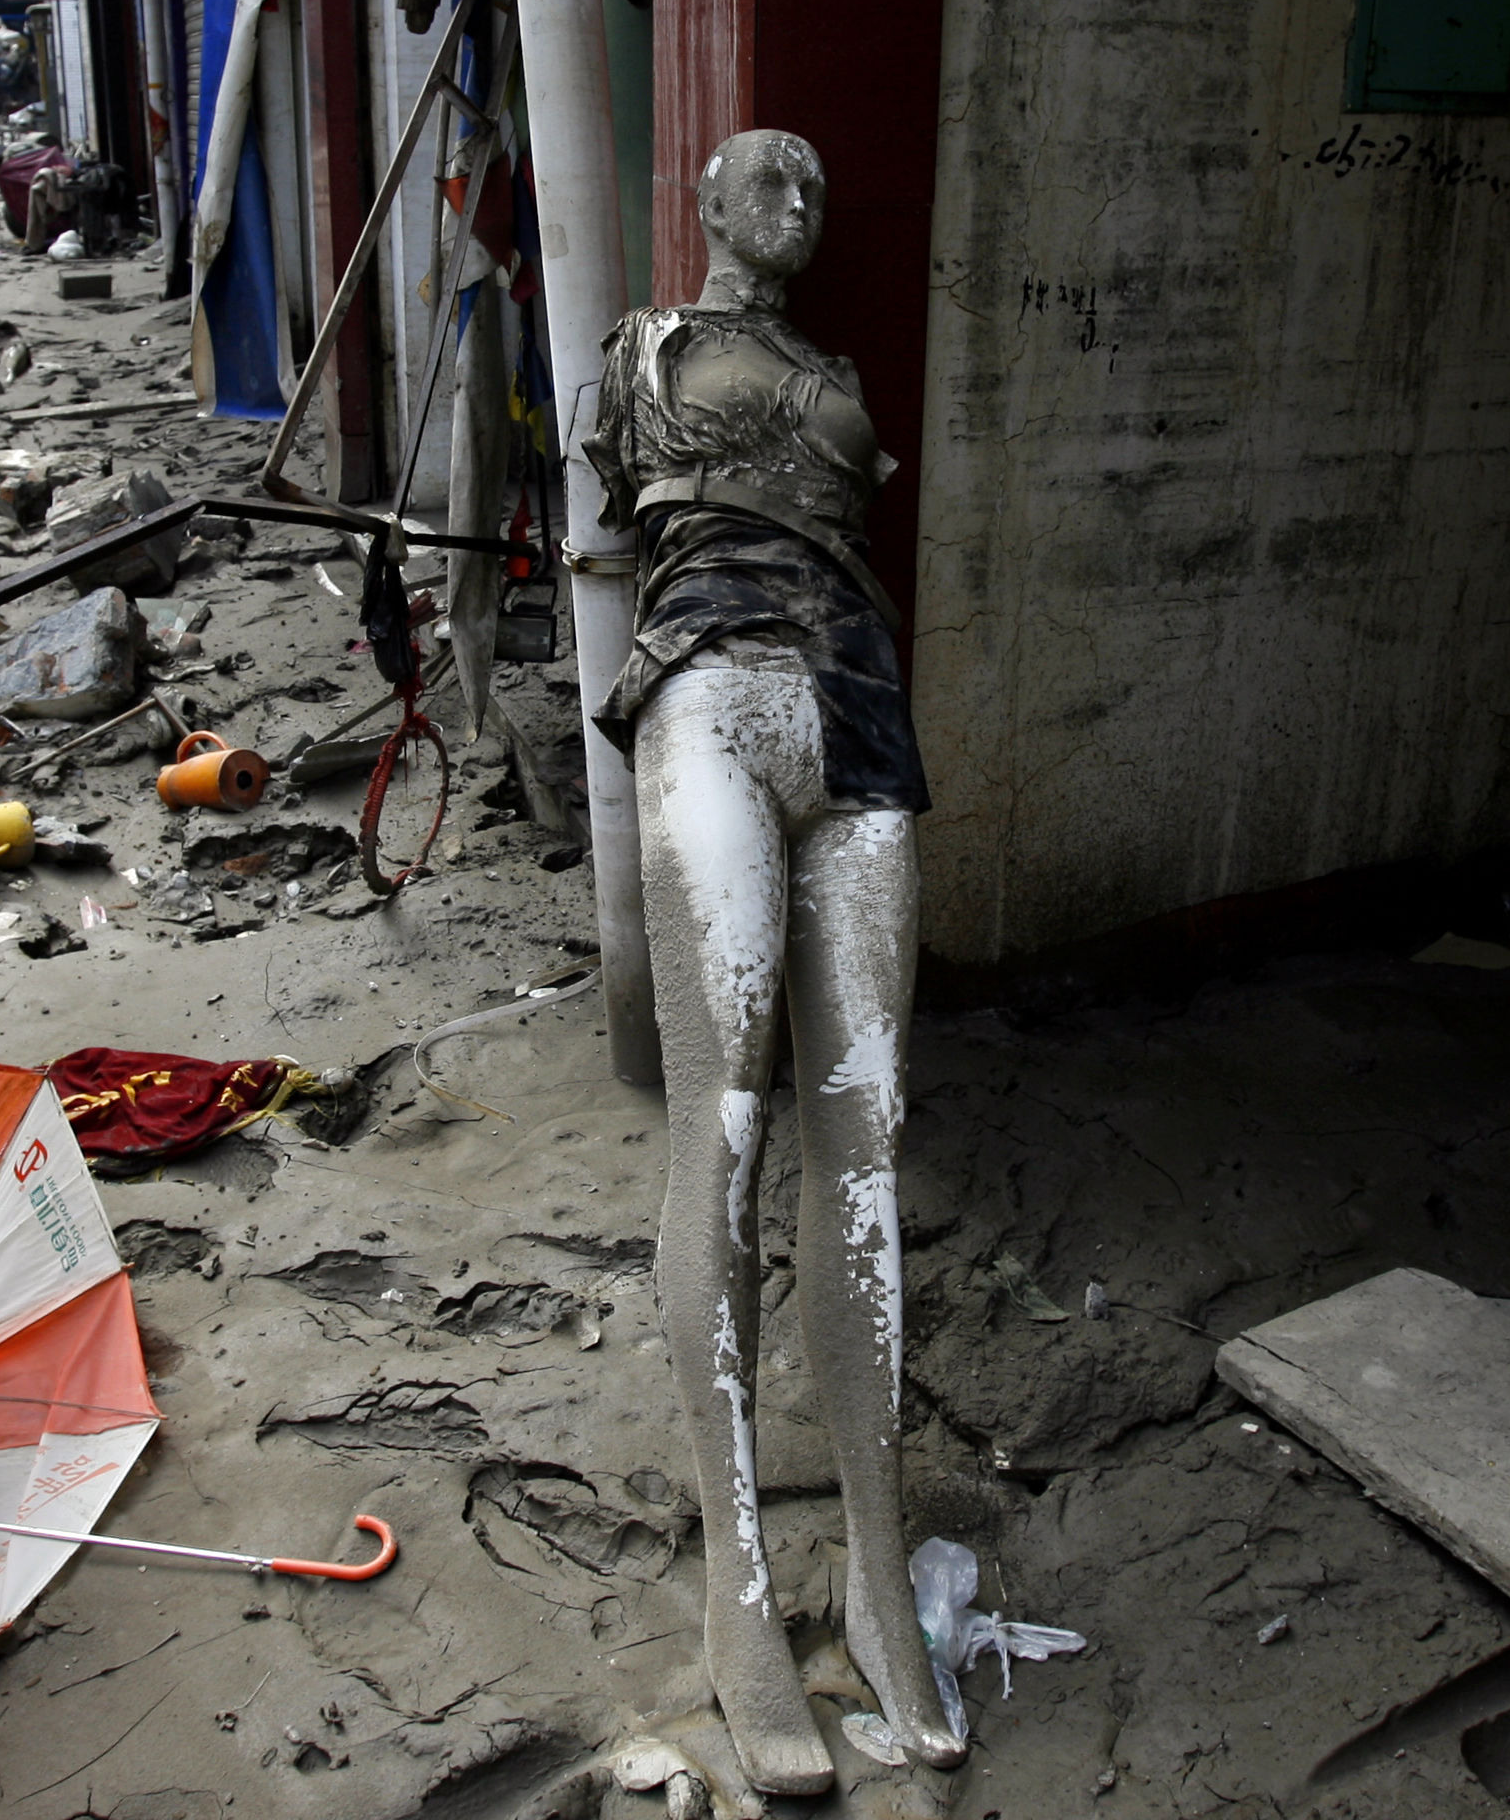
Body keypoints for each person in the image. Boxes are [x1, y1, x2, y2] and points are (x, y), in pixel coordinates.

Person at [589, 128, 960, 1794]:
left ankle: (879, 1580)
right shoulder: (647, 346)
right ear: (707, 204)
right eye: (765, 175)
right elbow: (599, 547)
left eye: (820, 179)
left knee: (866, 1141)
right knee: (723, 1125)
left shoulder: (843, 372)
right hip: (709, 693)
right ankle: (742, 1599)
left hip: (860, 720)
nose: (798, 193)